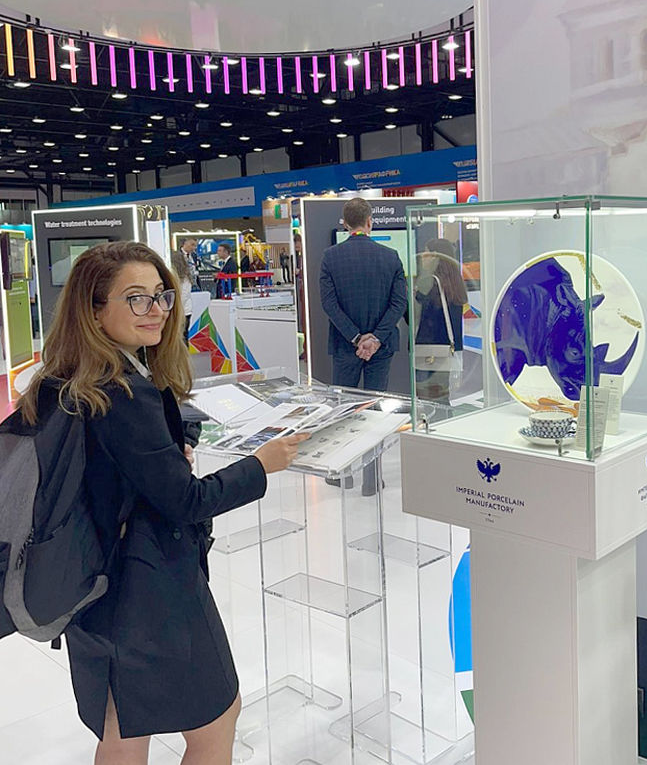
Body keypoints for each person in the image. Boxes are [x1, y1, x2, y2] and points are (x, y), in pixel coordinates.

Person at [19, 241, 307, 765]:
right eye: (136, 298)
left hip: (90, 582)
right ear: (94, 310)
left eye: (161, 296)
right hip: (146, 589)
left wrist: (161, 458)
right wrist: (261, 464)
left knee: (122, 729)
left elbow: (101, 471)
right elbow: (187, 501)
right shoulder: (123, 392)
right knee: (216, 720)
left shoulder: (64, 378)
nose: (155, 310)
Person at [319, 198, 407, 494]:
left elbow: (329, 304)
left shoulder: (330, 257)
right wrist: (376, 338)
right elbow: (399, 303)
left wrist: (356, 338)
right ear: (370, 222)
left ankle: (343, 474)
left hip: (345, 347)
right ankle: (372, 479)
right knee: (375, 411)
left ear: (345, 224)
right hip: (381, 348)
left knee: (344, 411)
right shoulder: (391, 256)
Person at [414, 238, 468, 403]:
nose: (422, 257)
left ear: (435, 257)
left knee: (426, 397)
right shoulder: (455, 283)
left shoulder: (428, 283)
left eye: (426, 252)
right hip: (446, 350)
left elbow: (415, 317)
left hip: (428, 350)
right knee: (441, 396)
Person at [171, 249, 193, 344]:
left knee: (181, 338)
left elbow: (183, 296)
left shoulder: (184, 278)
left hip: (182, 311)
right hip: (184, 310)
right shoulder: (185, 276)